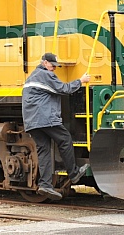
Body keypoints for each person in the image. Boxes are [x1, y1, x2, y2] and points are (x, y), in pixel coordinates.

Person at [22, 52, 91, 200]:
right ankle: (74, 174)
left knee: (44, 150)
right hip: (44, 118)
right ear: (44, 62)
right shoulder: (46, 75)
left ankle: (45, 184)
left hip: (31, 121)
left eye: (55, 66)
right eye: (52, 65)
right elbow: (64, 89)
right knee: (65, 139)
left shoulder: (33, 76)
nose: (54, 68)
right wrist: (81, 81)